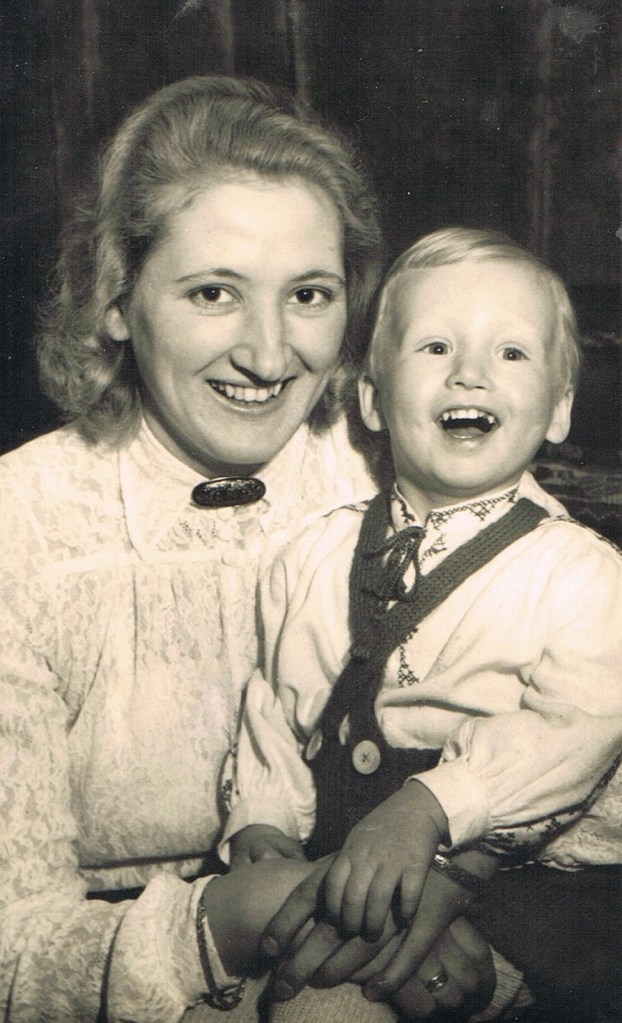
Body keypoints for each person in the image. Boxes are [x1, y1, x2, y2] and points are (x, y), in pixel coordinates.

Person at [0, 72, 397, 1023]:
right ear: (115, 298)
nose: (268, 355)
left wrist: (450, 905)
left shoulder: (402, 478)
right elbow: (11, 945)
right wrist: (233, 918)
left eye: (309, 294)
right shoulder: (21, 523)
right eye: (214, 292)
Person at [220, 227, 622, 1021]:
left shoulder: (582, 572)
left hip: (520, 890)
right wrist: (262, 823)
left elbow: (580, 727)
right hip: (340, 867)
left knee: (320, 1010)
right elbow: (273, 706)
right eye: (436, 346)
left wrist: (434, 805)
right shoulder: (312, 555)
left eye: (512, 353)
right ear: (373, 398)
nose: (470, 372)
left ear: (559, 408)